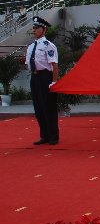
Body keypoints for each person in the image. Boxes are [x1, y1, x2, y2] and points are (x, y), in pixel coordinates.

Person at [26, 16, 60, 146]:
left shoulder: (48, 46)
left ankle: (53, 136)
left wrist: (54, 81)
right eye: (33, 28)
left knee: (48, 107)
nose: (34, 30)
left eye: (37, 28)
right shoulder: (31, 46)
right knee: (38, 107)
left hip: (46, 77)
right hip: (35, 77)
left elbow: (54, 65)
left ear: (44, 29)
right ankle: (44, 135)